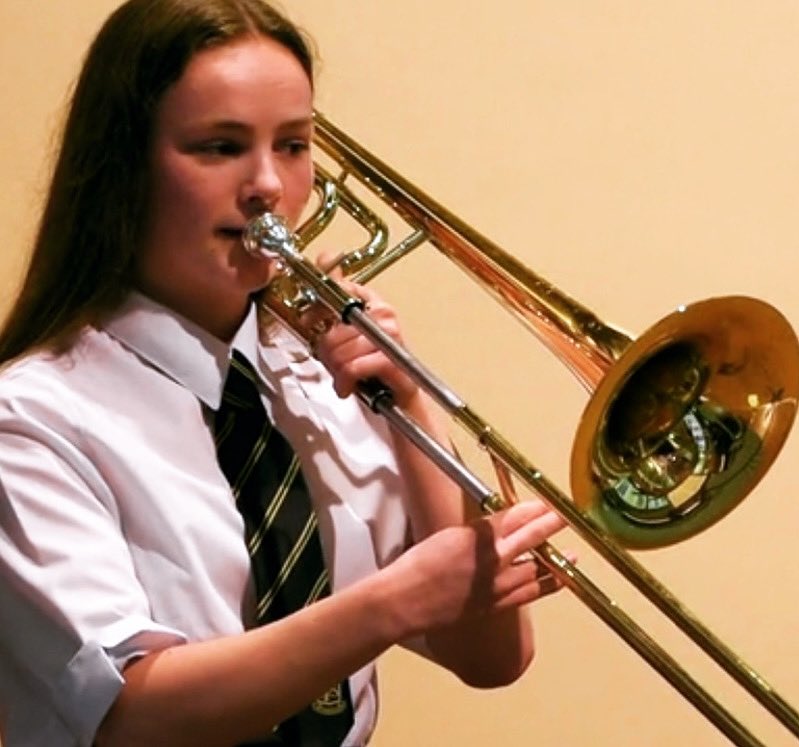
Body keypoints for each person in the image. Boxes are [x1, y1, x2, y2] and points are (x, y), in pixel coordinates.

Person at [0, 1, 570, 745]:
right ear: (124, 168)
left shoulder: (327, 386)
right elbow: (126, 713)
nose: (268, 183)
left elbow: (492, 656)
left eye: (294, 145)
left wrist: (410, 404)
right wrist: (388, 603)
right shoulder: (32, 417)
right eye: (219, 146)